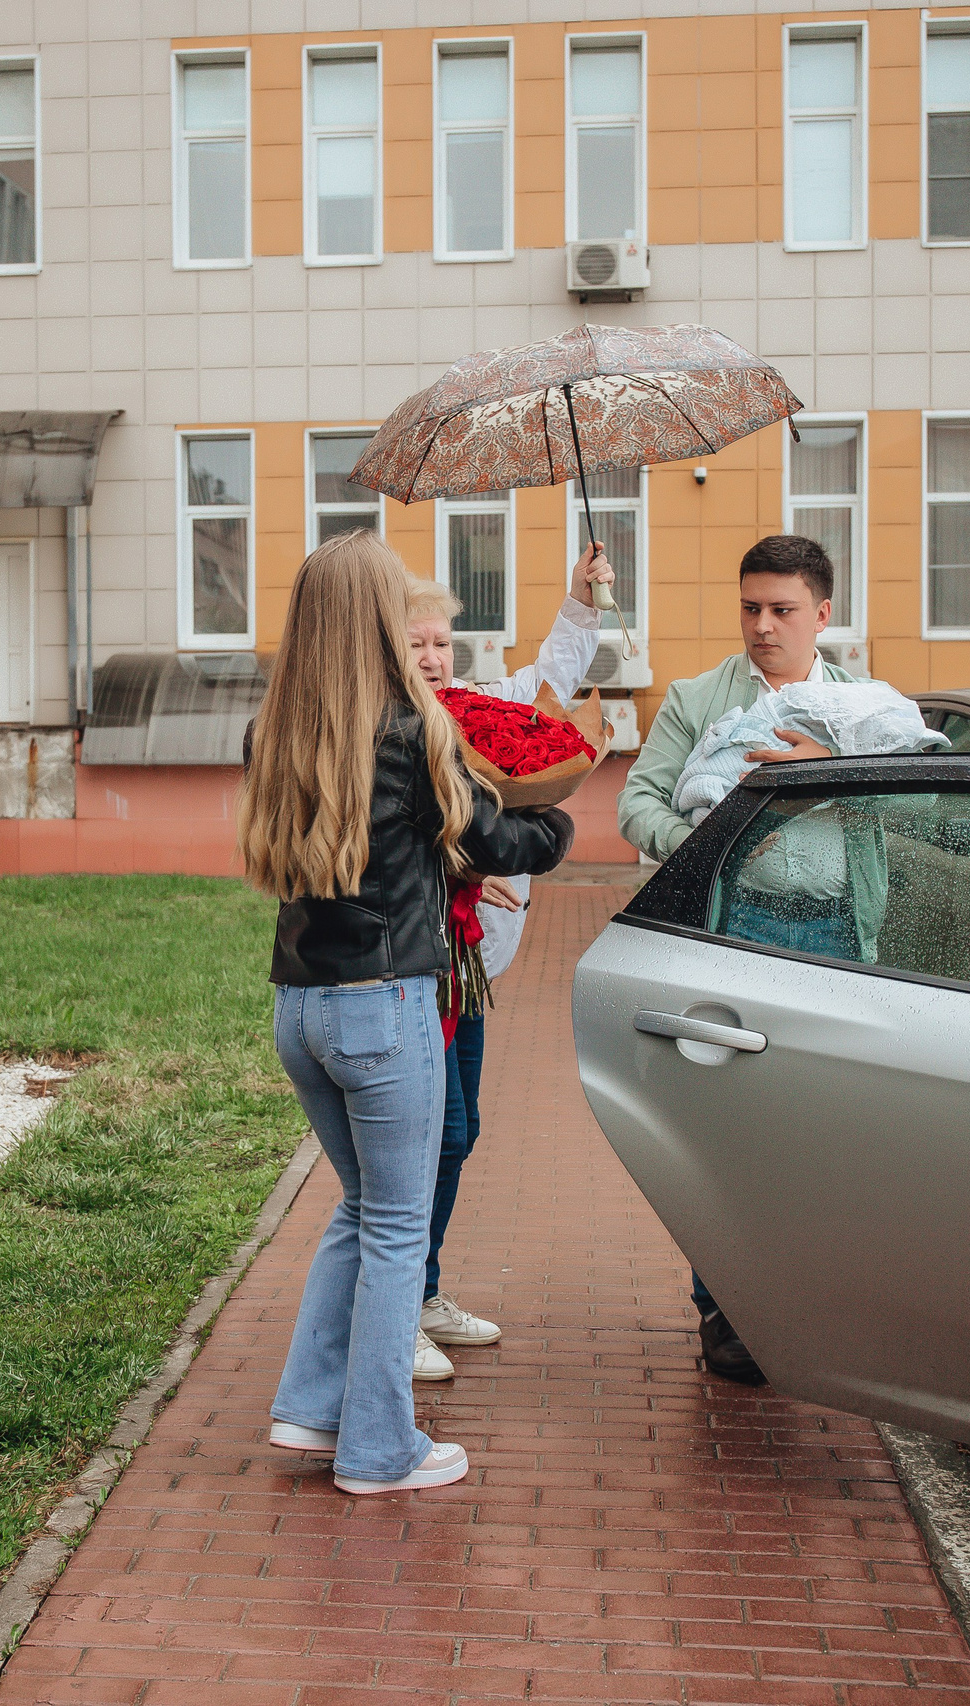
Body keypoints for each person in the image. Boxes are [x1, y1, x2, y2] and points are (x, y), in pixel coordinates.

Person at [240, 531, 576, 1495]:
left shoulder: (273, 732)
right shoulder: (411, 729)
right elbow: (502, 835)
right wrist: (560, 815)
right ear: (382, 621)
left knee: (363, 1208)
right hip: (385, 1008)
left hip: (299, 1008)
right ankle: (381, 1450)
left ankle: (310, 1411)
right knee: (396, 1223)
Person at [615, 533, 870, 1385]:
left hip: (838, 937)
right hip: (734, 929)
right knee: (722, 1130)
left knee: (819, 1133)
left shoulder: (865, 710)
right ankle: (725, 1315)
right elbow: (639, 804)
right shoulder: (698, 701)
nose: (764, 626)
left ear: (823, 614)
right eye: (751, 608)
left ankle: (802, 1307)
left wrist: (834, 767)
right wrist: (710, 842)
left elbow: (913, 800)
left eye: (783, 610)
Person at [398, 540, 614, 1381]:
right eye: (413, 642)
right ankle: (399, 1303)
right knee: (431, 1135)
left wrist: (580, 599)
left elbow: (548, 683)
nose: (430, 655)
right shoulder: (391, 734)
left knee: (461, 1130)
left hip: (468, 968)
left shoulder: (471, 710)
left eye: (440, 643)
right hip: (413, 968)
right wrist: (455, 863)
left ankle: (422, 1291)